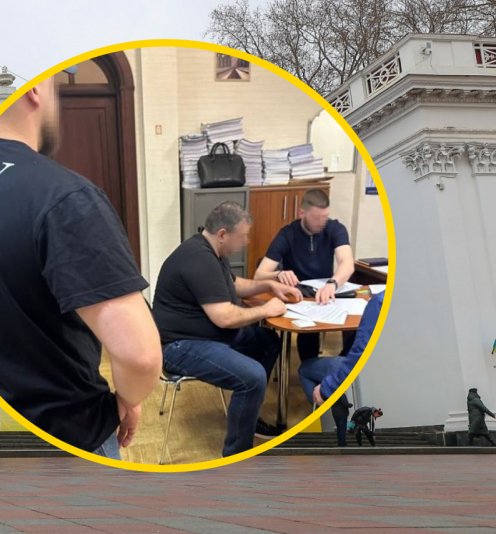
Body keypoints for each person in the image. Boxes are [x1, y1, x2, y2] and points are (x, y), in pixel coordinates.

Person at [0, 75, 162, 460]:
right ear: (33, 89)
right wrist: (128, 399)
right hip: (66, 438)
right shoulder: (62, 196)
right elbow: (139, 356)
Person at [153, 202, 303, 457]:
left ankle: (246, 414)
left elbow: (234, 285)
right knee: (253, 377)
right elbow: (224, 317)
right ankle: (236, 454)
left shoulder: (211, 252)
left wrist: (269, 285)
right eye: (242, 236)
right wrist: (266, 310)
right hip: (180, 346)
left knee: (267, 341)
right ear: (223, 234)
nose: (246, 242)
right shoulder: (198, 258)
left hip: (203, 336)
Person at [253, 189, 356, 362]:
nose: (322, 223)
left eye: (325, 217)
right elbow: (259, 275)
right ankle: (309, 368)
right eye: (316, 218)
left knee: (357, 323)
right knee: (308, 331)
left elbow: (347, 263)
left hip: (327, 291)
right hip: (300, 295)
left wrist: (333, 283)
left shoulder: (335, 229)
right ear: (302, 213)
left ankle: (342, 366)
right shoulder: (287, 234)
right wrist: (279, 273)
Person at [300, 291, 384, 446]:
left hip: (355, 372)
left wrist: (327, 388)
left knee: (304, 369)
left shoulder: (378, 302)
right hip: (374, 375)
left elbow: (359, 353)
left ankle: (321, 414)